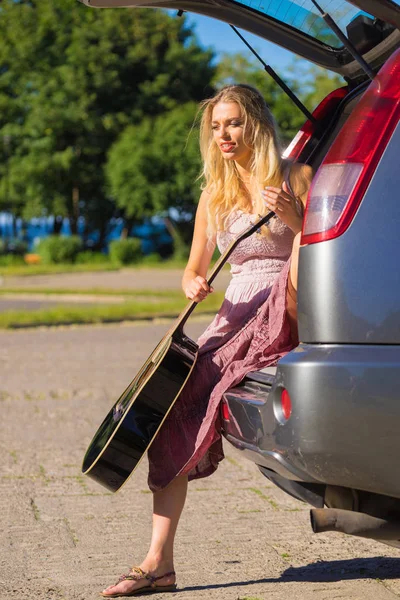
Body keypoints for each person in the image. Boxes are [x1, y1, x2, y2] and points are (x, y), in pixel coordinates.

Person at [101, 84, 313, 598]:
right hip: (230, 315)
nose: (223, 134)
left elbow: (319, 250)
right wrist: (192, 283)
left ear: (257, 125)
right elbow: (192, 269)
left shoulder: (294, 177)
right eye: (216, 126)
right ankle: (159, 562)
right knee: (170, 407)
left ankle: (157, 562)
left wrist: (295, 219)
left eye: (234, 122)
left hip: (280, 306)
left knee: (187, 395)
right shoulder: (213, 194)